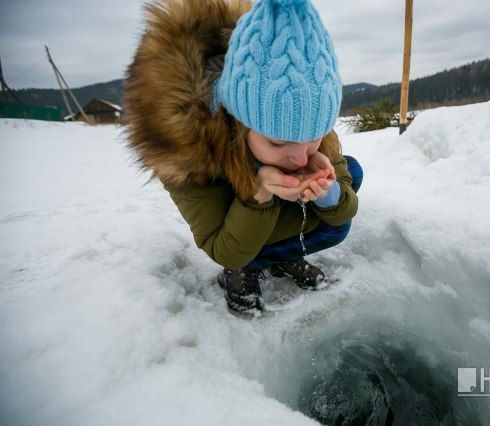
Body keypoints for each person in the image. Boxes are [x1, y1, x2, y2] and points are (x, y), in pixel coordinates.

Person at [124, 0, 362, 314]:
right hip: (233, 226)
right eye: (278, 142)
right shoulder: (185, 145)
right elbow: (221, 247)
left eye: (312, 138)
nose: (300, 157)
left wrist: (327, 191)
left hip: (265, 218)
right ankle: (246, 270)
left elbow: (341, 213)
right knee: (239, 255)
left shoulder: (304, 113)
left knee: (350, 177)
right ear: (240, 120)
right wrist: (260, 191)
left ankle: (284, 255)